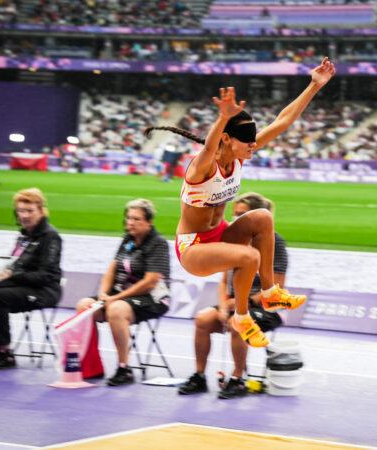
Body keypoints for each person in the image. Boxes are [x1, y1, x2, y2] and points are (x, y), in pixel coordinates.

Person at [144, 56, 335, 348]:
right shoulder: (202, 167)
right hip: (194, 247)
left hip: (219, 234)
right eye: (246, 140)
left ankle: (271, 292)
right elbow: (209, 147)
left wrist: (314, 85)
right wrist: (222, 116)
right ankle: (242, 318)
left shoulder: (240, 156)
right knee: (249, 257)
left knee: (262, 217)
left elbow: (283, 121)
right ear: (226, 139)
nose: (254, 144)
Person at [179, 192, 287, 399]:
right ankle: (199, 376)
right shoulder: (234, 239)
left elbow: (277, 286)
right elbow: (223, 281)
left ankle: (238, 379)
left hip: (264, 306)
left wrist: (241, 303)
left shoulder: (274, 243)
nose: (237, 220)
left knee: (239, 324)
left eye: (242, 215)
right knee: (202, 320)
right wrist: (222, 304)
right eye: (236, 214)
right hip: (234, 303)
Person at [75, 198, 171, 386]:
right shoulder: (127, 240)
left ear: (149, 222)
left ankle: (123, 368)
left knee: (116, 309)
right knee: (84, 306)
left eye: (136, 219)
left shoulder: (158, 243)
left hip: (151, 299)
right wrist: (103, 294)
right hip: (120, 295)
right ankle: (91, 367)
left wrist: (114, 298)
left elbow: (150, 282)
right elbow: (111, 270)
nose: (130, 223)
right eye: (128, 218)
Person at [0, 188, 62, 371]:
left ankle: (5, 354)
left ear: (41, 211)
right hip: (24, 285)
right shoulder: (24, 235)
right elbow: (15, 263)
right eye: (21, 210)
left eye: (30, 211)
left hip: (45, 291)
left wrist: (12, 275)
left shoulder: (50, 236)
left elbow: (47, 275)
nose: (25, 215)